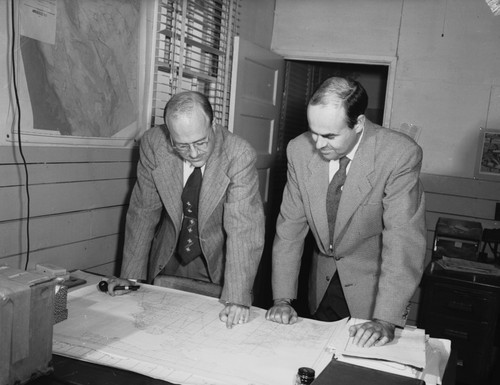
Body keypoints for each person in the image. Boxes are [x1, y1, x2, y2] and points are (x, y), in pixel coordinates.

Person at [265, 77, 426, 347]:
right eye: (313, 132)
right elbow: (289, 229)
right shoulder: (299, 150)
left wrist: (385, 319)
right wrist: (282, 299)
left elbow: (403, 241)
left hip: (375, 294)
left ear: (359, 123)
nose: (317, 144)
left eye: (329, 136)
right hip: (321, 286)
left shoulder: (398, 154)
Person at [105, 91, 265, 329]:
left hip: (218, 262)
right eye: (182, 145)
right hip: (167, 254)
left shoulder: (238, 154)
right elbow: (143, 211)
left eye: (201, 142)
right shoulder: (153, 144)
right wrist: (130, 275)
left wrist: (237, 298)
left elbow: (244, 228)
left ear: (213, 125)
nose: (192, 153)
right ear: (169, 137)